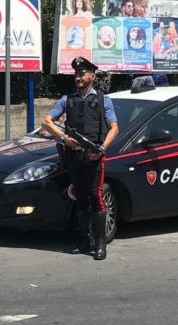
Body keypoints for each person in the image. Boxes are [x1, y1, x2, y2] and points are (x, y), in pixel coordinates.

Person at [41, 57, 119, 260]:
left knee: (96, 198)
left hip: (93, 157)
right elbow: (47, 121)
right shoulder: (67, 100)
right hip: (73, 157)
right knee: (81, 198)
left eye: (82, 74)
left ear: (93, 76)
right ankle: (86, 241)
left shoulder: (103, 100)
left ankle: (100, 243)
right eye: (76, 74)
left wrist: (101, 148)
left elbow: (114, 129)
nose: (78, 77)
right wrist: (64, 138)